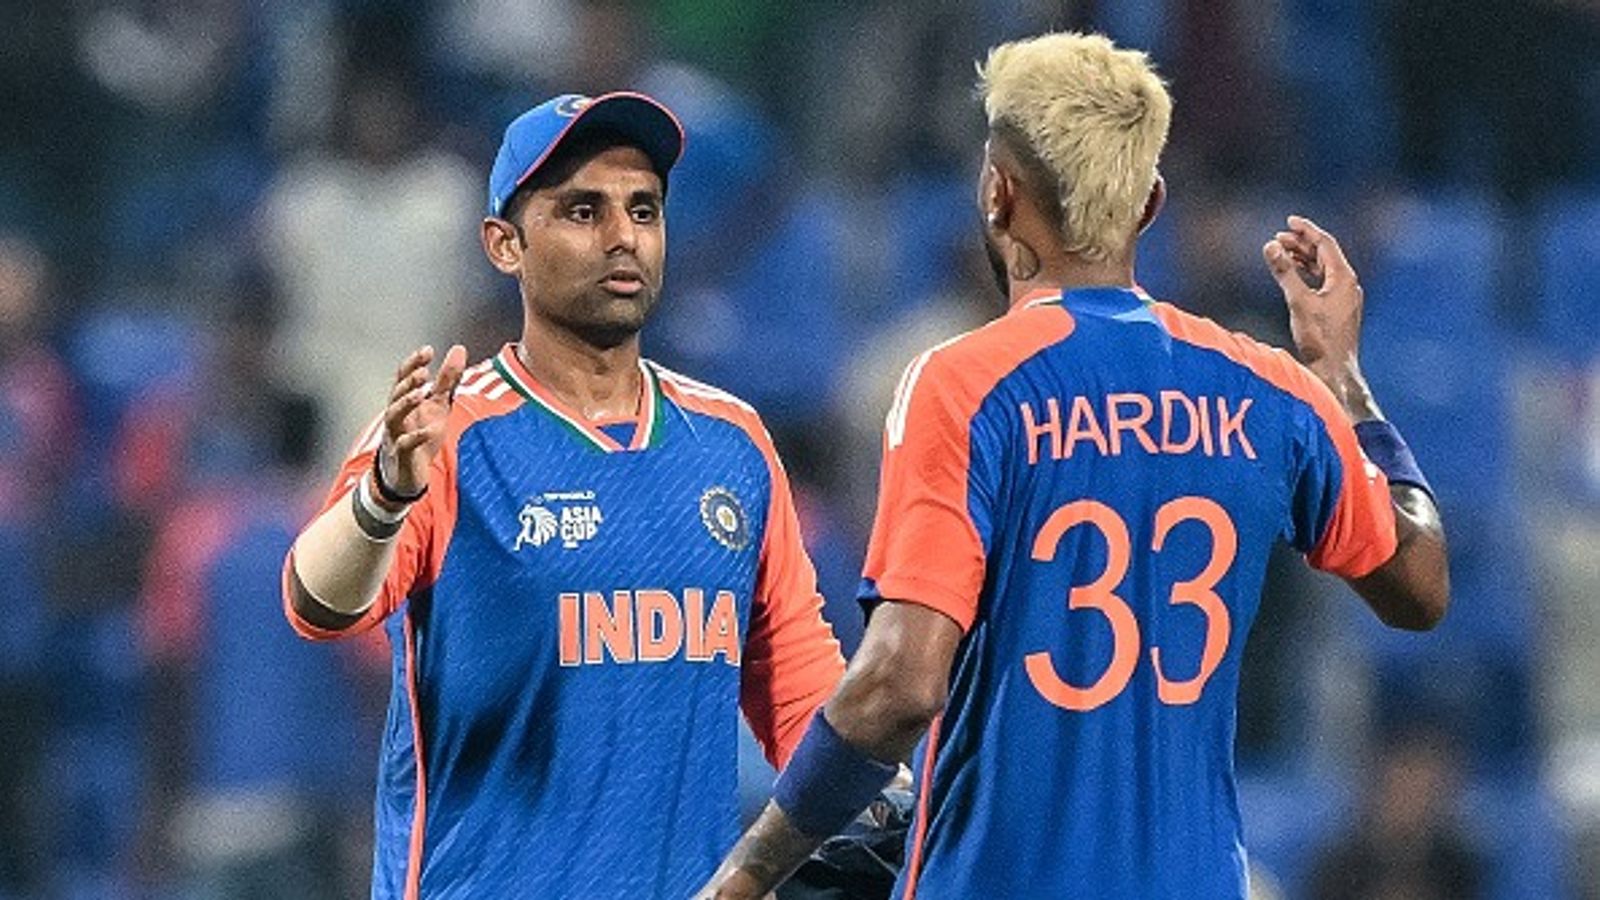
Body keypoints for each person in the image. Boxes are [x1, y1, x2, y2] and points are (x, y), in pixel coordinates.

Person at [699, 32, 1449, 900]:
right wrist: (1344, 381)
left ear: (996, 192)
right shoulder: (1269, 389)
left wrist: (748, 874)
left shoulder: (966, 385)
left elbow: (899, 686)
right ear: (1151, 202)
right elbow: (1420, 585)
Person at [280, 91, 845, 899]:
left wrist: (896, 799)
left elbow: (800, 693)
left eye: (643, 210)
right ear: (504, 244)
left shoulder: (733, 441)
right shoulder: (448, 431)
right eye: (583, 210)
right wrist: (383, 497)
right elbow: (315, 602)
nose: (623, 237)